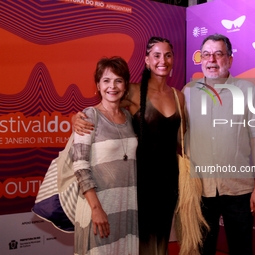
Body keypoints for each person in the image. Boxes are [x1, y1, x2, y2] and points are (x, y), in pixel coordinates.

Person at [72, 37, 186, 255]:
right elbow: (102, 110)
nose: (163, 60)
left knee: (160, 243)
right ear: (146, 60)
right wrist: (74, 118)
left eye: (168, 55)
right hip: (139, 183)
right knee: (135, 244)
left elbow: (181, 140)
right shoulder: (132, 91)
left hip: (169, 183)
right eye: (157, 55)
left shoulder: (178, 97)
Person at [182, 33, 255, 255]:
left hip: (239, 190)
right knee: (203, 250)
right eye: (206, 55)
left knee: (241, 249)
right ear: (200, 60)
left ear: (229, 60)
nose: (211, 60)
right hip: (200, 189)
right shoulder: (188, 92)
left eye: (218, 54)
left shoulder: (247, 90)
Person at [72, 56, 138, 255]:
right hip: (99, 207)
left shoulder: (129, 117)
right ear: (98, 86)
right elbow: (80, 167)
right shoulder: (88, 116)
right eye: (106, 80)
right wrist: (96, 208)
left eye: (118, 80)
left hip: (127, 207)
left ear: (125, 85)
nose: (112, 86)